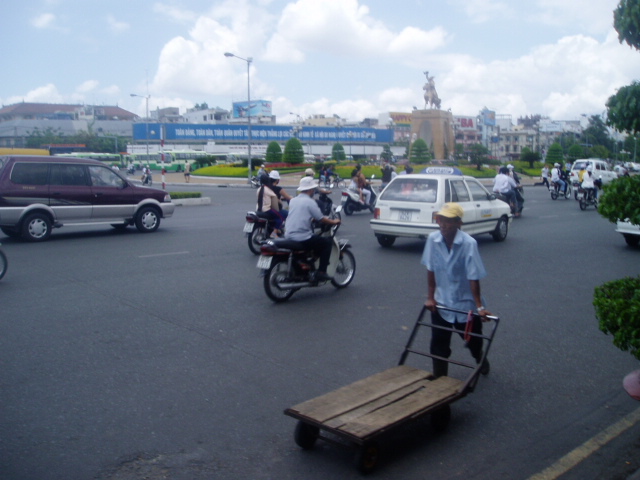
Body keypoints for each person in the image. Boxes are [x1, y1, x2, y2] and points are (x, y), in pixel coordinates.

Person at [421, 202, 492, 378]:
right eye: (441, 219)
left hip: (465, 305)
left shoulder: (469, 244)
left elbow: (473, 276)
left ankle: (479, 357)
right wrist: (430, 298)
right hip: (441, 302)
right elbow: (431, 269)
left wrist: (479, 308)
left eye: (449, 221)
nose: (443, 224)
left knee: (473, 341)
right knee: (438, 345)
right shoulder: (433, 240)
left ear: (459, 223)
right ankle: (440, 382)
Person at [285, 176, 341, 282]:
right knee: (326, 243)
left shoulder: (293, 201)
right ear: (310, 190)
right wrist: (334, 221)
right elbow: (321, 218)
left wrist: (311, 219)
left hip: (288, 234)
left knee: (315, 240)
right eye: (313, 189)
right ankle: (321, 272)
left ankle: (307, 263)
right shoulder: (310, 202)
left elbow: (300, 214)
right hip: (302, 236)